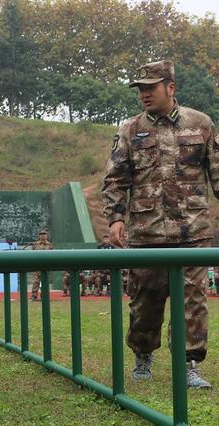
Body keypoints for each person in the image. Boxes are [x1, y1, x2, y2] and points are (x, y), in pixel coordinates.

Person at [102, 60, 219, 389]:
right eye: (140, 88)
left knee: (193, 302)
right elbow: (114, 180)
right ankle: (143, 355)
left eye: (150, 87)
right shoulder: (130, 129)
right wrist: (115, 219)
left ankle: (190, 364)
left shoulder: (202, 124)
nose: (143, 94)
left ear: (171, 87)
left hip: (193, 232)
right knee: (146, 303)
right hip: (147, 234)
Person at [30, 230, 54, 301]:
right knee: (36, 282)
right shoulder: (35, 245)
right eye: (41, 234)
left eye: (44, 234)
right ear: (39, 236)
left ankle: (44, 296)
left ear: (47, 236)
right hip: (37, 267)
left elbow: (53, 256)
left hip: (46, 267)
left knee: (45, 282)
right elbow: (32, 255)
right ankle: (34, 296)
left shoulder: (50, 245)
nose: (42, 236)